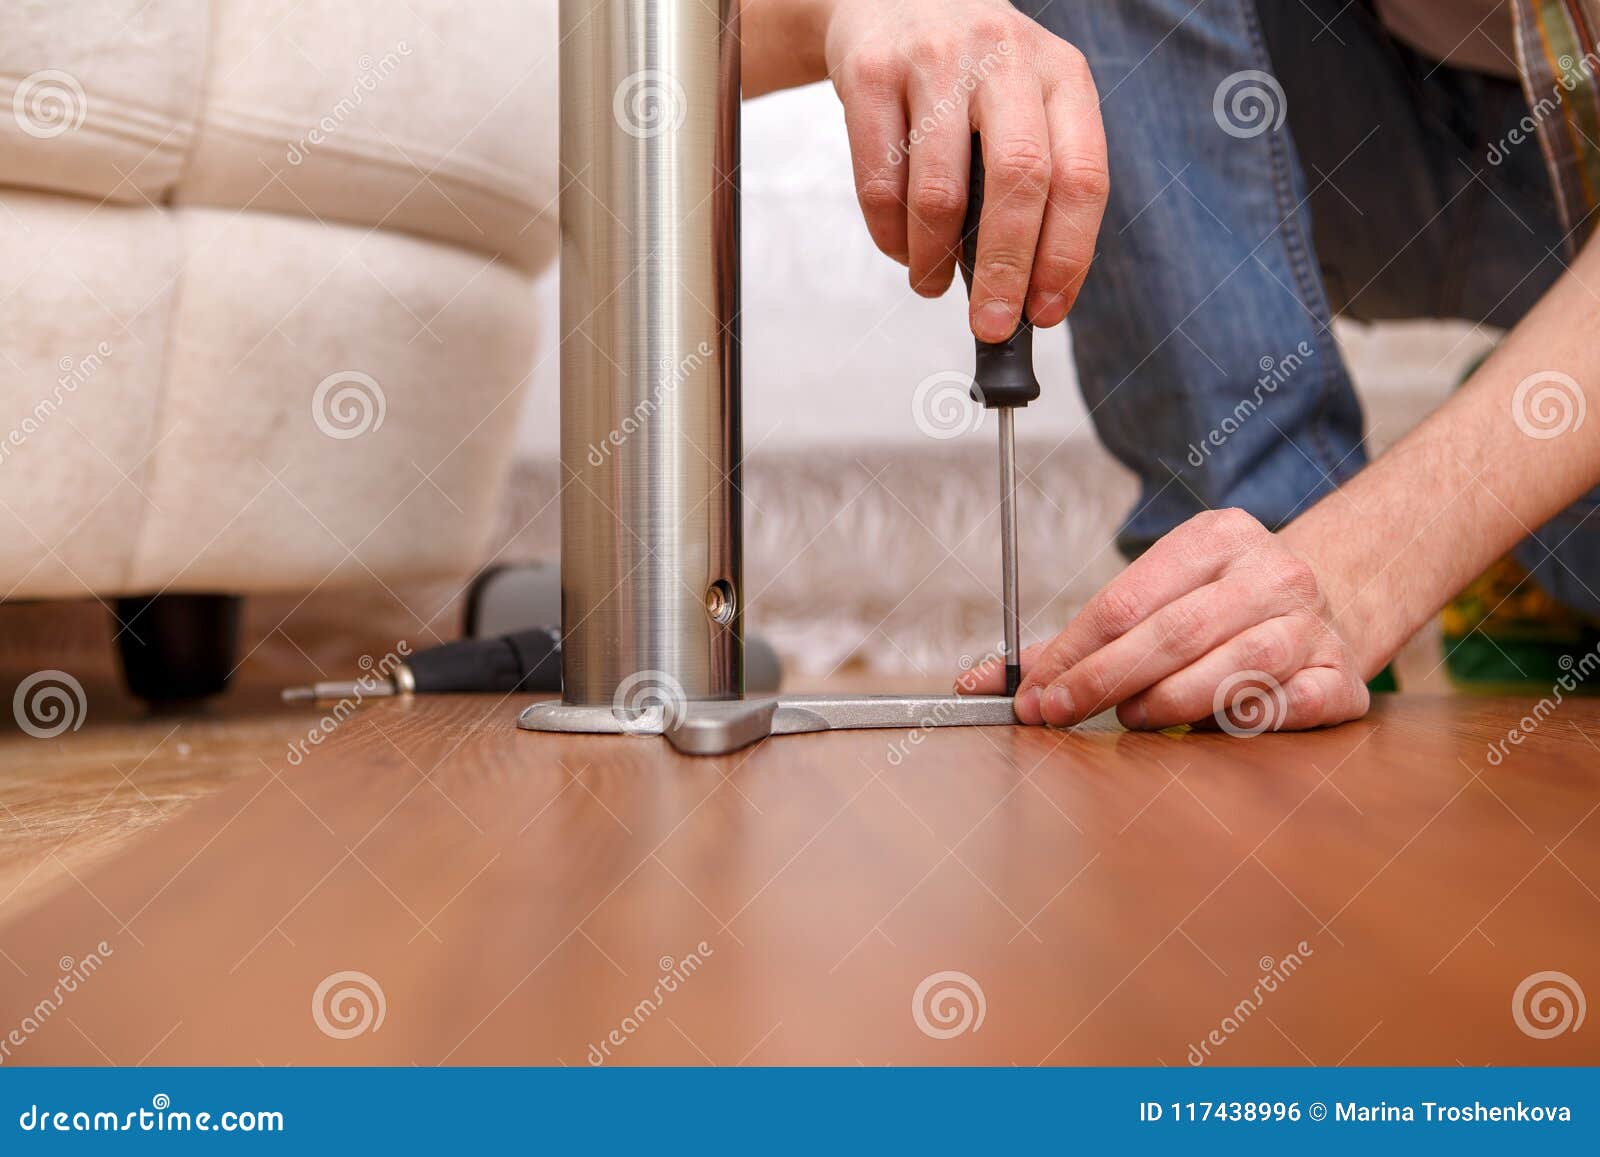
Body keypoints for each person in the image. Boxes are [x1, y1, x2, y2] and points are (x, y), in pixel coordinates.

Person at [743, 0, 1600, 732]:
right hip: (1349, 117)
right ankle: (1245, 585)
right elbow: (634, 34)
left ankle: (1507, 530)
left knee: (1566, 504)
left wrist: (1363, 564)